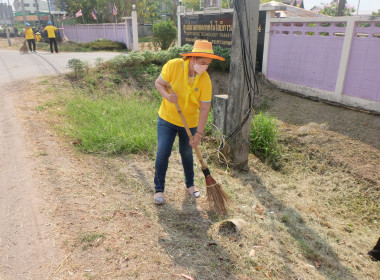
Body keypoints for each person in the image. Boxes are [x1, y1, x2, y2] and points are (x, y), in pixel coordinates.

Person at [153, 40, 225, 205]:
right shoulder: (174, 66)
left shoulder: (204, 79)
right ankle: (159, 189)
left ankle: (190, 185)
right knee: (163, 151)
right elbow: (159, 83)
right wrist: (167, 96)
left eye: (208, 64)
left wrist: (198, 134)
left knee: (186, 153)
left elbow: (205, 108)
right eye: (202, 62)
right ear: (192, 58)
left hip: (190, 122)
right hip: (167, 118)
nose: (205, 67)